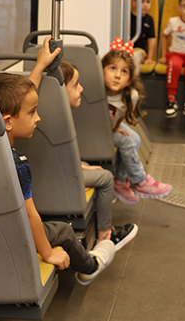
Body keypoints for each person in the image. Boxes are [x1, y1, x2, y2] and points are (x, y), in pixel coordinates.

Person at [0, 45, 116, 285]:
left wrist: (39, 66)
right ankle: (90, 265)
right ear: (8, 121)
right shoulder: (17, 162)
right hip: (16, 236)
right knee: (64, 230)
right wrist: (49, 253)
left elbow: (18, 102)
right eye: (32, 113)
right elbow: (30, 214)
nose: (38, 118)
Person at [59, 60, 138, 249]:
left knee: (87, 163)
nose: (81, 89)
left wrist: (81, 166)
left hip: (58, 169)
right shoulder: (60, 120)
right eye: (76, 85)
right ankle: (105, 236)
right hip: (58, 176)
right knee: (105, 178)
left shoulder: (56, 113)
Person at [102, 40, 173, 203]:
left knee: (135, 138)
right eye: (113, 68)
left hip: (108, 127)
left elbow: (120, 115)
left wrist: (116, 128)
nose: (117, 75)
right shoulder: (95, 90)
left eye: (124, 72)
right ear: (102, 70)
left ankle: (119, 181)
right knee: (127, 140)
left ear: (128, 80)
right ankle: (141, 180)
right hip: (94, 131)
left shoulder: (130, 96)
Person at [130, 0, 156, 67]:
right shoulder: (127, 17)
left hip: (140, 50)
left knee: (134, 58)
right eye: (142, 1)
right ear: (133, 3)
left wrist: (150, 58)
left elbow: (151, 39)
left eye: (148, 2)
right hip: (126, 48)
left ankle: (133, 79)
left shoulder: (149, 19)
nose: (145, 5)